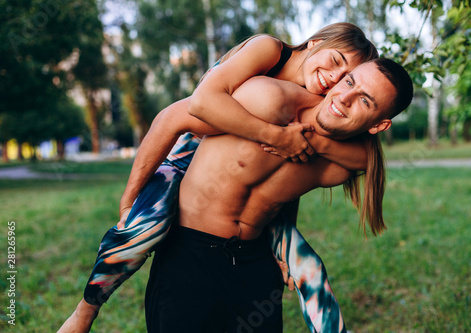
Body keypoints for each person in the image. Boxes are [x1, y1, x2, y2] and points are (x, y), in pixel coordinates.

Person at [58, 23, 379, 333]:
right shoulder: (269, 51)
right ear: (314, 42)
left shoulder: (316, 102)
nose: (333, 78)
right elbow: (187, 111)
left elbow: (291, 176)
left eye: (345, 77)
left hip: (247, 209)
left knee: (311, 270)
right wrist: (129, 200)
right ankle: (84, 313)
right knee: (140, 234)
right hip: (188, 154)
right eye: (335, 60)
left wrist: (282, 236)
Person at [145, 58, 413, 332]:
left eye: (364, 101)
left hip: (256, 263)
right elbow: (172, 118)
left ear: (379, 126)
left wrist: (281, 250)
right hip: (188, 254)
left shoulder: (337, 169)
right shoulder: (267, 97)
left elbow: (284, 194)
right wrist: (129, 201)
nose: (344, 98)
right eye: (349, 82)